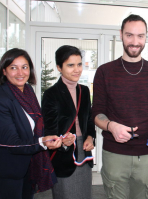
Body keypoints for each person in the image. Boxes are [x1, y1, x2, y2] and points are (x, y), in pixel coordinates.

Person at [92, 14, 148, 199]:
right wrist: (111, 126)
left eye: (140, 36)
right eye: (129, 35)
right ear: (121, 35)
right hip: (114, 154)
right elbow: (97, 112)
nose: (135, 41)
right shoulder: (104, 71)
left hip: (147, 154)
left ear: (146, 37)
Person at [0, 48, 62, 199]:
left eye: (24, 67)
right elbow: (13, 143)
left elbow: (36, 126)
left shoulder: (27, 91)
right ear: (4, 71)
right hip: (9, 169)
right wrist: (43, 142)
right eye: (13, 68)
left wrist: (59, 137)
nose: (20, 73)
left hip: (29, 165)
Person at [42, 45, 96, 199]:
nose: (77, 69)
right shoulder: (51, 94)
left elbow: (89, 120)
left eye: (79, 64)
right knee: (66, 194)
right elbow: (49, 131)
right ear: (59, 67)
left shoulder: (84, 91)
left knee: (84, 194)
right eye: (70, 65)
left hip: (83, 150)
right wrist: (62, 139)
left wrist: (90, 137)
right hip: (63, 155)